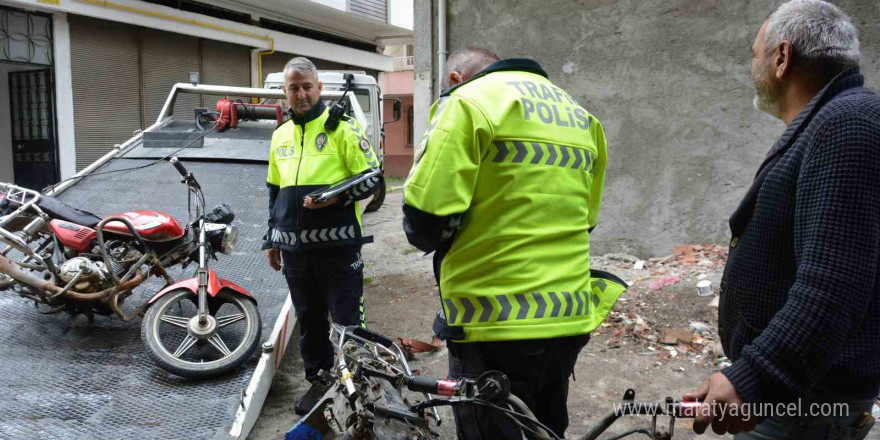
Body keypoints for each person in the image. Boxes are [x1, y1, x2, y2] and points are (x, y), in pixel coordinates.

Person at [683, 1, 880, 438]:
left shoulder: (847, 123)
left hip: (805, 405)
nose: (751, 65)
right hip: (797, 395)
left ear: (781, 58)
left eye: (755, 54)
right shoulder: (832, 122)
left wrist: (755, 380)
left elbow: (832, 285)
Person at [403, 47, 615, 439]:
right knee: (546, 428)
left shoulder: (467, 103)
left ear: (455, 79)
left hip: (494, 323)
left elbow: (424, 222)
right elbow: (587, 220)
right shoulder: (580, 116)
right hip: (567, 317)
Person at [263, 57, 382, 415]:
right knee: (310, 322)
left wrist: (333, 197)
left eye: (307, 87)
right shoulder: (280, 135)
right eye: (293, 88)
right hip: (295, 253)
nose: (300, 94)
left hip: (338, 248)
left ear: (319, 89)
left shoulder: (342, 129)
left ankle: (361, 387)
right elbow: (274, 191)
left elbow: (373, 179)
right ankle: (319, 383)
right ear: (285, 92)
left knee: (347, 322)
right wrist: (272, 239)